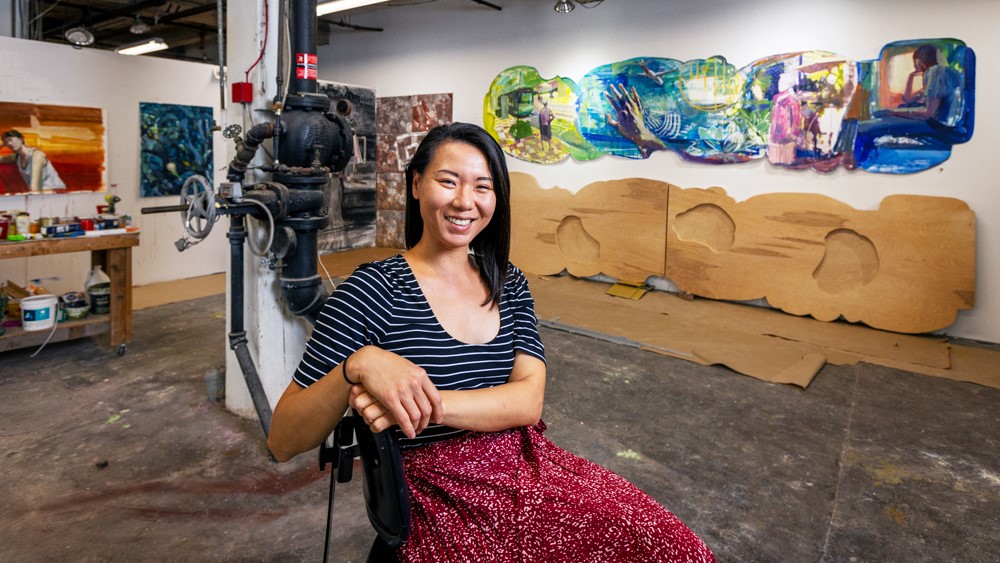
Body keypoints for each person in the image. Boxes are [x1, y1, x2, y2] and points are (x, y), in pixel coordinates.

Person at [267, 122, 715, 562]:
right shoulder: (371, 292)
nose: (465, 201)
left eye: (483, 186)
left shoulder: (508, 282)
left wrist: (422, 403)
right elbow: (283, 439)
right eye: (448, 181)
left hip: (524, 465)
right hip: (434, 494)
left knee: (668, 544)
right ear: (417, 184)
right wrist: (358, 366)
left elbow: (528, 401)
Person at [0, 130, 67, 193]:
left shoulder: (36, 155)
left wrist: (32, 194)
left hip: (55, 192)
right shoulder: (17, 157)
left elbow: (34, 186)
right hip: (39, 193)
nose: (9, 143)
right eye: (6, 142)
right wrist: (2, 145)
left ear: (21, 139)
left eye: (10, 140)